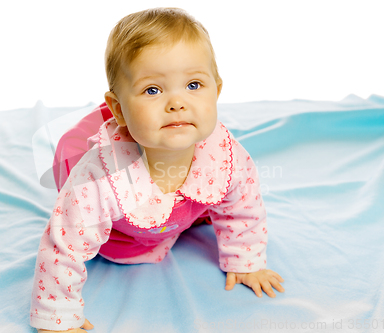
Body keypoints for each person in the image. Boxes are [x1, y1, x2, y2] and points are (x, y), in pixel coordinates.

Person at [31, 7, 284, 332]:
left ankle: (183, 205)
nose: (177, 102)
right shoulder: (100, 177)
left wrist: (244, 260)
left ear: (217, 91)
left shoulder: (225, 156)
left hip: (182, 211)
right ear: (118, 109)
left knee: (222, 198)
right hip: (122, 237)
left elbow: (243, 206)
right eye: (153, 90)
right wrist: (57, 315)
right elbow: (63, 246)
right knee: (84, 217)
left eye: (194, 85)